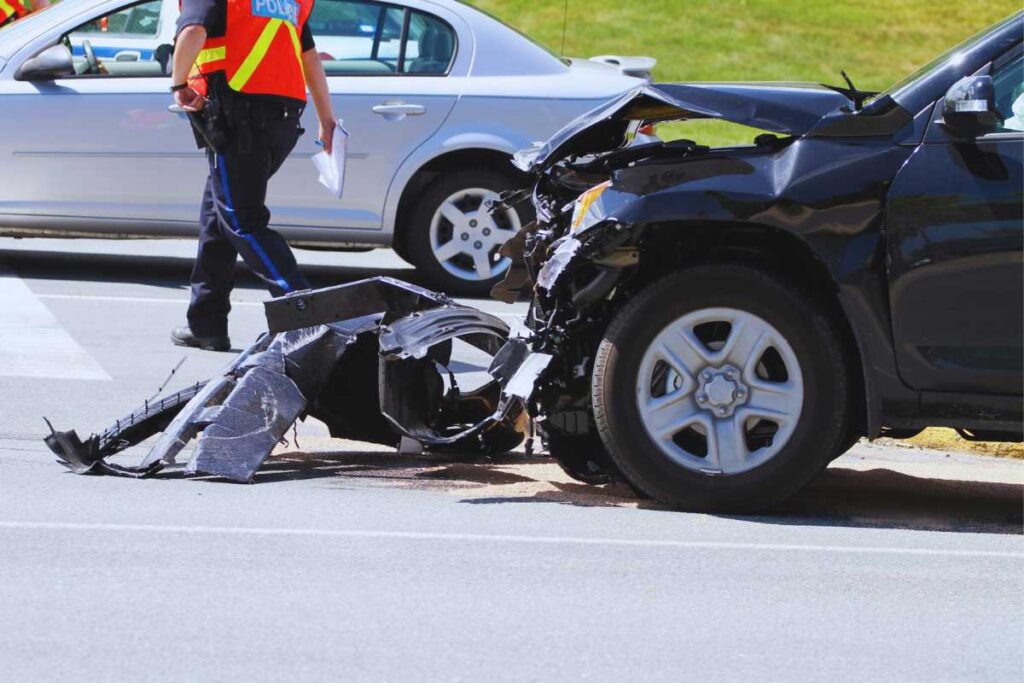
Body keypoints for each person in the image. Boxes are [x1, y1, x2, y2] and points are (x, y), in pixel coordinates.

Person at [169, 0, 337, 351]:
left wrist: (178, 83)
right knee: (217, 218)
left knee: (242, 220)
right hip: (283, 119)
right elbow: (309, 57)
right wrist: (326, 117)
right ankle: (206, 323)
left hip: (239, 115)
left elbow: (193, 31)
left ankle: (305, 310)